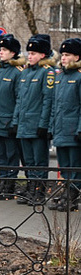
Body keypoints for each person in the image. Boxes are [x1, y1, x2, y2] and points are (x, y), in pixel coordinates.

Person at [14, 35, 54, 205]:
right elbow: (19, 100)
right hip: (24, 125)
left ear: (43, 55)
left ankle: (39, 192)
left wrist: (43, 125)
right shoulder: (25, 73)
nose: (29, 56)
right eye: (29, 53)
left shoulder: (47, 73)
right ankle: (31, 189)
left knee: (39, 162)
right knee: (28, 162)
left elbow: (47, 100)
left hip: (37, 125)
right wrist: (16, 121)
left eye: (33, 53)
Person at [0, 33, 24, 200]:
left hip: (8, 121)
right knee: (0, 154)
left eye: (5, 50)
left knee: (10, 155)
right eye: (0, 49)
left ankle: (10, 184)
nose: (1, 52)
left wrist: (14, 121)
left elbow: (19, 99)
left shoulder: (17, 72)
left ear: (13, 53)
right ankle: (3, 181)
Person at [49, 38, 81, 211]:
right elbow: (56, 106)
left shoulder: (79, 77)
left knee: (75, 167)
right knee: (65, 166)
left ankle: (72, 197)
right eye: (62, 55)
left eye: (67, 55)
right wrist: (51, 127)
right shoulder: (60, 78)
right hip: (61, 130)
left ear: (77, 57)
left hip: (73, 130)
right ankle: (65, 194)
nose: (63, 58)